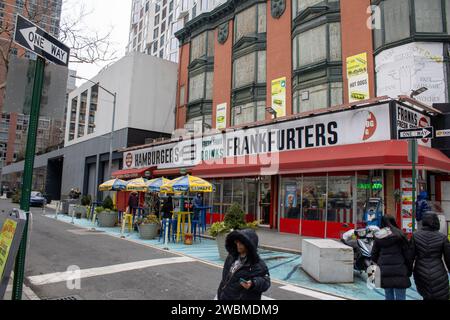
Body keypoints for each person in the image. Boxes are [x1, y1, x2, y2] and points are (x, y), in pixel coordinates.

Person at [217, 229, 271, 300]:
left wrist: (253, 283)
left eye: (241, 243)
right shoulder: (231, 256)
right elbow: (226, 278)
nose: (238, 245)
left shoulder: (257, 264)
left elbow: (266, 282)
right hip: (224, 296)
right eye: (237, 242)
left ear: (249, 245)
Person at [409, 213, 450, 300]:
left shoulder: (415, 236)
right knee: (440, 294)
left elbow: (410, 256)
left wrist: (409, 271)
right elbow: (448, 258)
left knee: (426, 294)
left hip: (420, 271)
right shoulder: (442, 237)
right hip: (438, 271)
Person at [371, 215, 412, 301]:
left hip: (385, 271)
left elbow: (373, 255)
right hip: (400, 270)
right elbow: (408, 255)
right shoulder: (400, 234)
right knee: (401, 297)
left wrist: (381, 263)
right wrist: (409, 270)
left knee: (388, 296)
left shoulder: (379, 236)